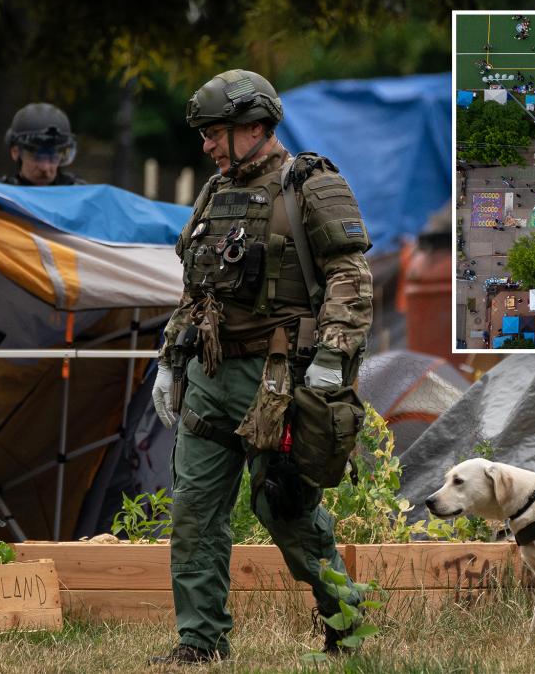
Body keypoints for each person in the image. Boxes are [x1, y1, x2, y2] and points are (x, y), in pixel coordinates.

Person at [148, 69, 373, 665]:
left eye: (215, 133)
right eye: (204, 135)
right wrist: (172, 359)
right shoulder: (214, 194)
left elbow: (352, 279)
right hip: (211, 374)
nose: (207, 145)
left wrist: (330, 361)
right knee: (195, 511)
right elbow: (198, 292)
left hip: (280, 380)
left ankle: (346, 622)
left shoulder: (310, 185)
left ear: (255, 127)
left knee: (285, 508)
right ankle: (200, 643)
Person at [0, 103, 86, 186]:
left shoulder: (77, 194)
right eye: (35, 157)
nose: (45, 168)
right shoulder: (0, 196)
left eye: (53, 157)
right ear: (15, 152)